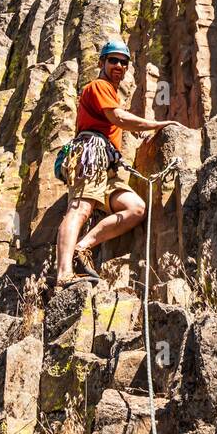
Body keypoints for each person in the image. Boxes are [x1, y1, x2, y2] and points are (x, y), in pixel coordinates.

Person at [54, 38, 180, 288]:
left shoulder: (110, 93)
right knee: (80, 209)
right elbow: (119, 118)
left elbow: (116, 121)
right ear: (102, 62)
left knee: (136, 208)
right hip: (90, 154)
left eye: (124, 63)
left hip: (108, 165)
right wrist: (156, 124)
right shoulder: (99, 86)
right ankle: (63, 273)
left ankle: (83, 247)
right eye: (113, 61)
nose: (119, 66)